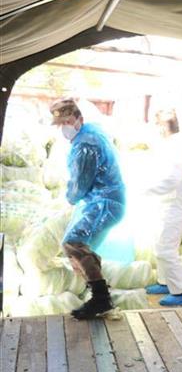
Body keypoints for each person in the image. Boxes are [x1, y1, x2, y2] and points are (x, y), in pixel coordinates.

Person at [50, 98, 126, 320]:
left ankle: (101, 298)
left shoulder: (86, 144)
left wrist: (69, 199)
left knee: (73, 242)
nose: (63, 127)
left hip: (103, 203)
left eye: (67, 122)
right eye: (60, 124)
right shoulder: (90, 134)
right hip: (104, 200)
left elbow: (80, 182)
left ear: (79, 119)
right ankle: (99, 297)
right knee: (82, 247)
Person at [144, 109, 182, 306]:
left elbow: (173, 179)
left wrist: (146, 190)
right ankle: (165, 282)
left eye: (156, 125)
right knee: (161, 245)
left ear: (162, 126)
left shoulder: (177, 146)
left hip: (177, 206)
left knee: (166, 248)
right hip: (168, 204)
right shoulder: (169, 145)